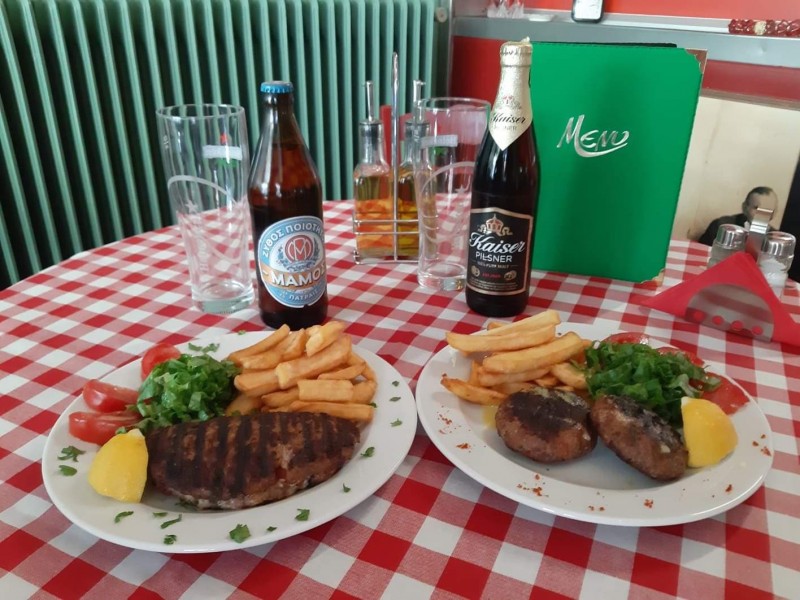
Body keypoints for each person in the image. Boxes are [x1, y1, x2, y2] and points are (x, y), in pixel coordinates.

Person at [698, 186, 778, 246]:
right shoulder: (721, 226)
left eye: (767, 210)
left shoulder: (777, 239)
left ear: (774, 213)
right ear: (744, 207)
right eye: (756, 208)